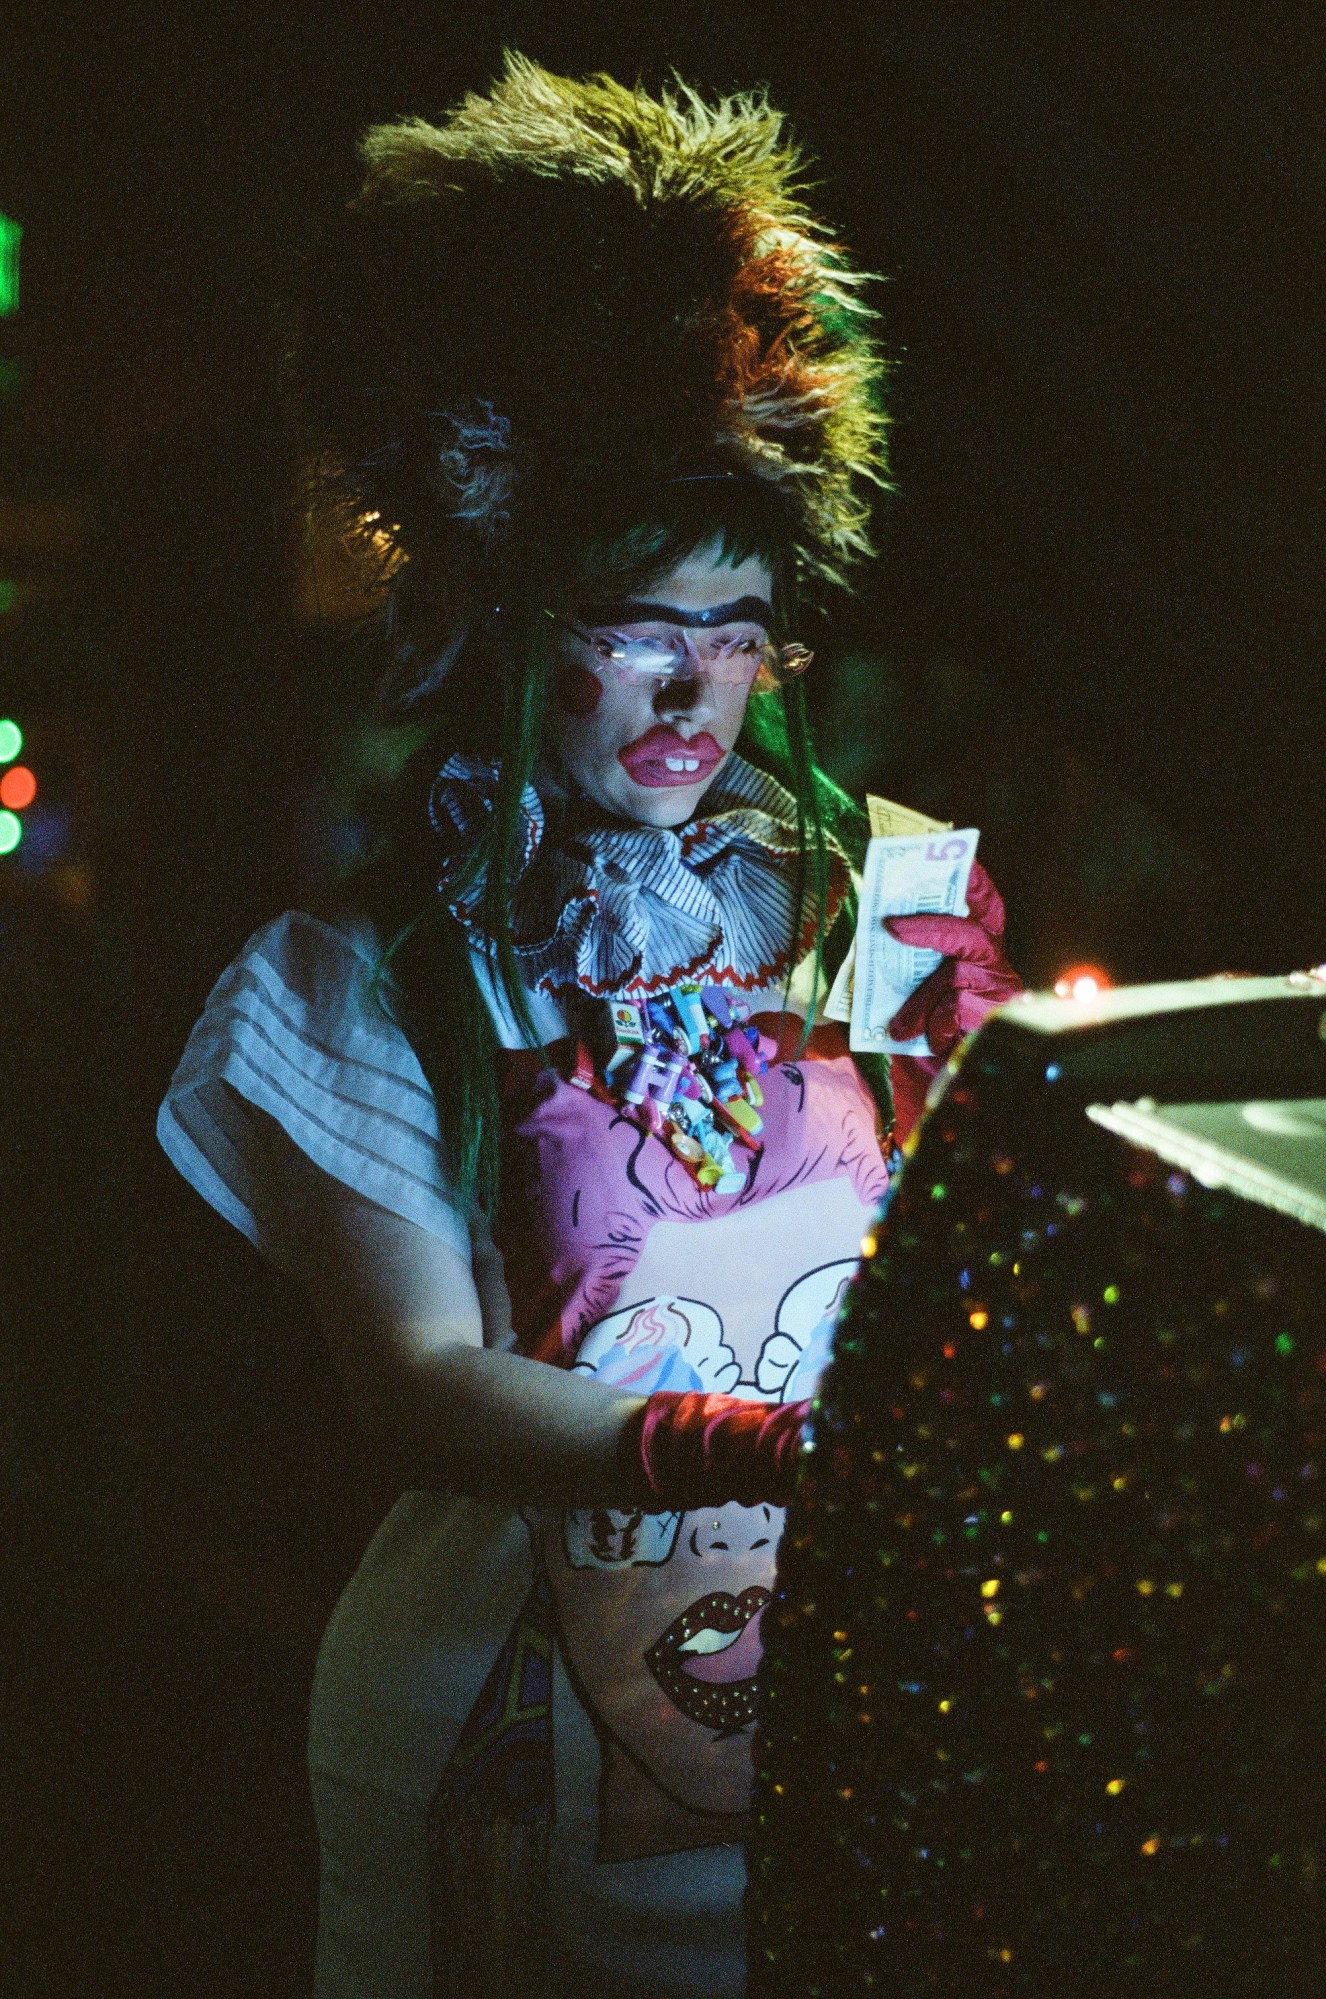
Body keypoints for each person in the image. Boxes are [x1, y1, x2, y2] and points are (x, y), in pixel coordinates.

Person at [157, 56, 1020, 1999]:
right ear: (502, 626)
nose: (689, 689)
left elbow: (957, 1257)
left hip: (826, 1739)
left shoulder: (871, 900)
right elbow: (413, 1384)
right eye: (632, 624)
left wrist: (969, 1060)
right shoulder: (358, 982)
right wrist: (745, 1436)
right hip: (491, 1756)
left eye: (733, 627)